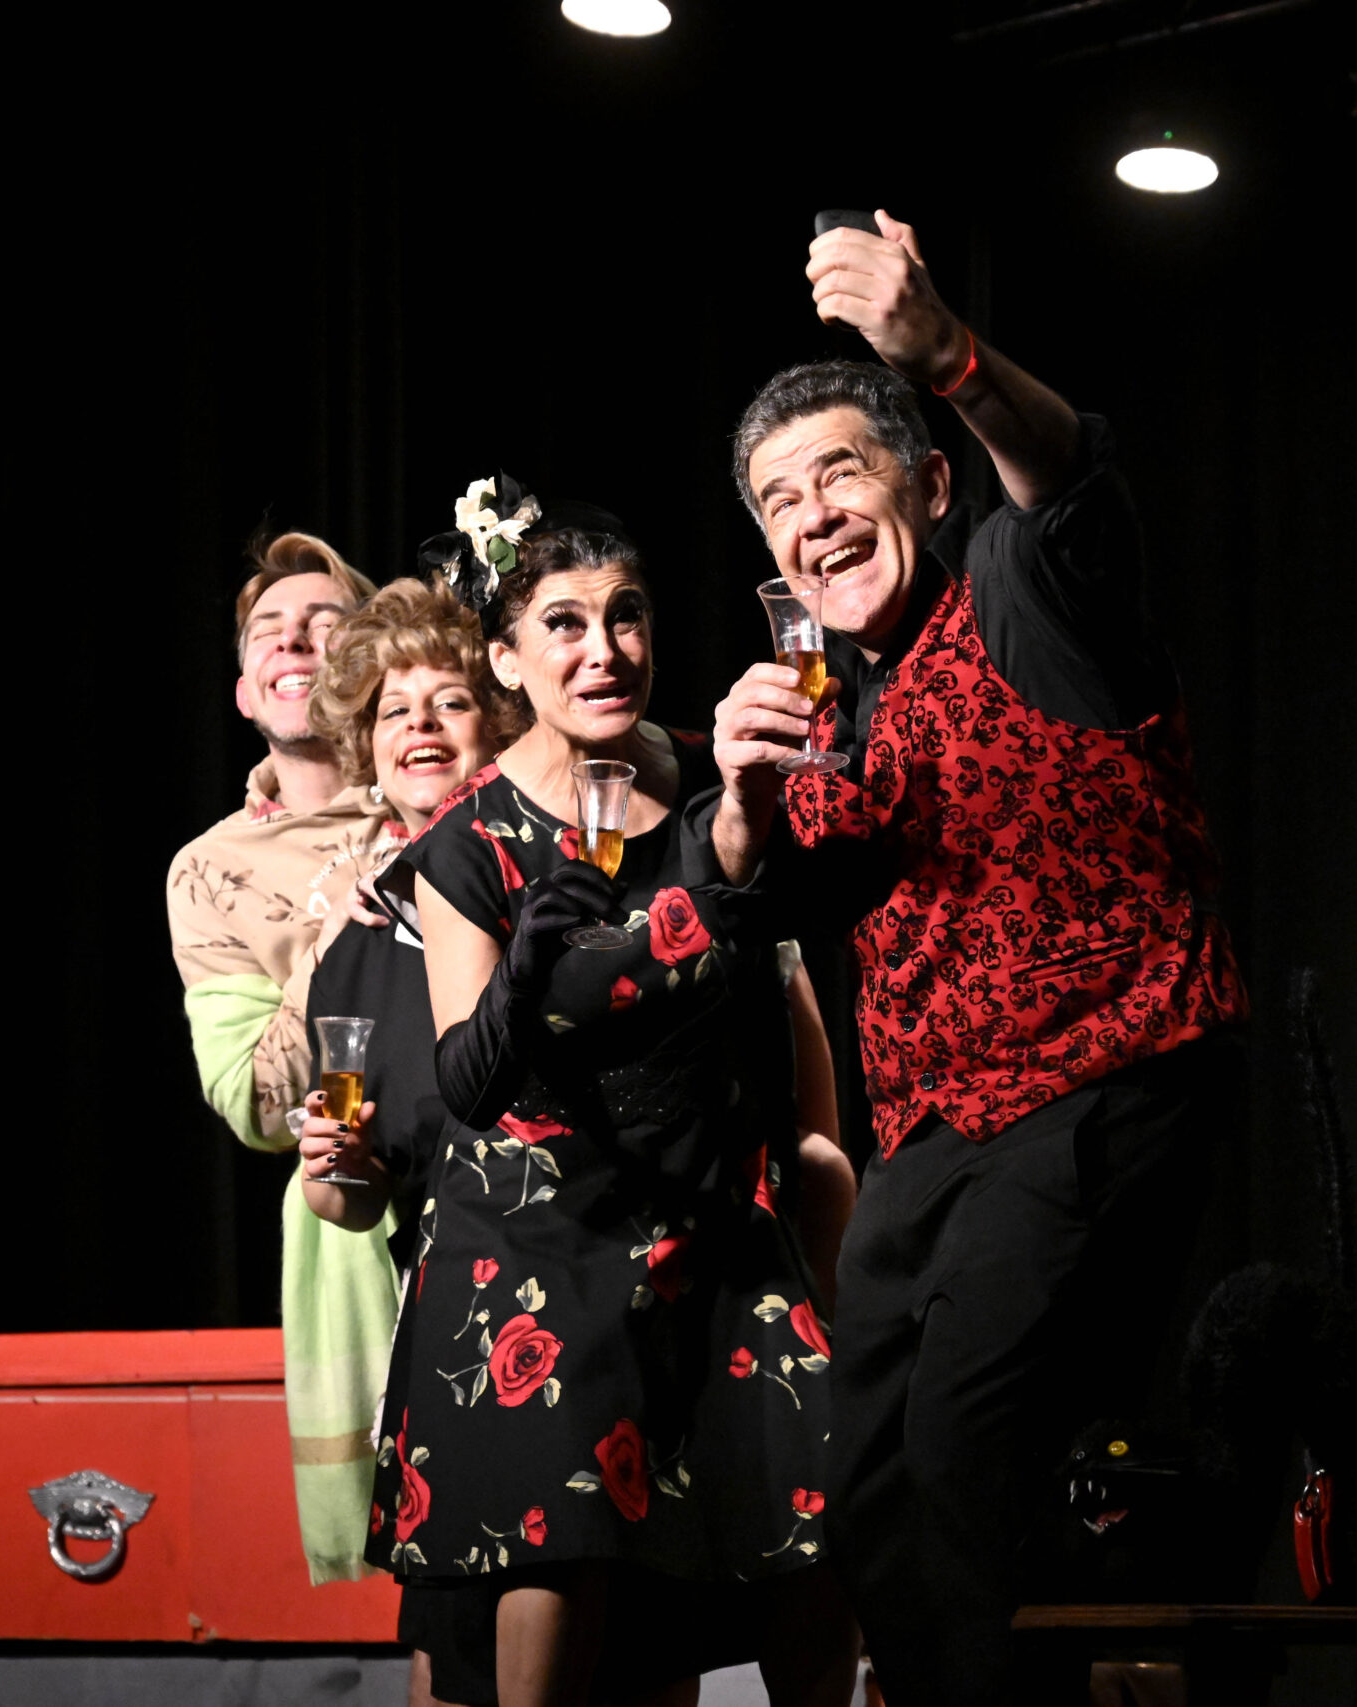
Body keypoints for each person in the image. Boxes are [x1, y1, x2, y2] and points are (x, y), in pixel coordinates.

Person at [708, 210, 1250, 1707]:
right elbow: (745, 906)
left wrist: (943, 352)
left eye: (841, 473)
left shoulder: (1022, 590)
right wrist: (745, 810)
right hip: (938, 1133)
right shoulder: (829, 714)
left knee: (967, 1454)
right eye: (777, 500)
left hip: (1104, 1072)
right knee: (866, 1479)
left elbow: (1066, 469)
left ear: (928, 483)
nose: (812, 514)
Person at [351, 479, 858, 1707]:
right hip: (539, 1239)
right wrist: (524, 981)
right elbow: (468, 1084)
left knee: (809, 1526)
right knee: (564, 1543)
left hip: (710, 1216)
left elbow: (775, 965)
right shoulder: (467, 842)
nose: (604, 649)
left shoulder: (701, 778)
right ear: (508, 659)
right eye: (566, 624)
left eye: (625, 617)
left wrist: (814, 1162)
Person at [289, 577, 517, 1705]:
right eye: (392, 710)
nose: (420, 723)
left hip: (588, 1309)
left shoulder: (556, 890)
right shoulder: (355, 949)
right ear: (367, 752)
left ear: (503, 722)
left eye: (450, 701)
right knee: (451, 1663)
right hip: (445, 1347)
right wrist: (340, 1177)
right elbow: (363, 1202)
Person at [166, 531, 391, 1153]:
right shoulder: (209, 869)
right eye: (268, 633)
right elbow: (257, 1108)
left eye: (324, 626)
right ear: (244, 693)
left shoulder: (441, 790)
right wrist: (335, 943)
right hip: (357, 1231)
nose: (292, 641)